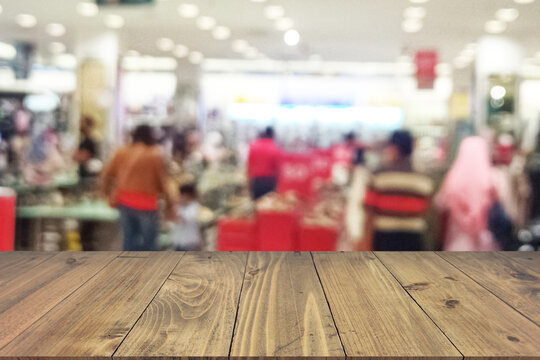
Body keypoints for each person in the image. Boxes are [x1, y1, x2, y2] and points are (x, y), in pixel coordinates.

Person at [100, 124, 173, 251]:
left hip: (125, 202)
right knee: (149, 245)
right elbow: (162, 182)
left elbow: (105, 175)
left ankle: (129, 270)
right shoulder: (154, 155)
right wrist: (170, 202)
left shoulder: (121, 152)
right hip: (147, 204)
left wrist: (106, 194)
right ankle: (149, 271)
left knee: (129, 241)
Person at [364, 130, 434, 251]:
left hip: (384, 236)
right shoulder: (424, 179)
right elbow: (427, 208)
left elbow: (369, 207)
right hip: (414, 237)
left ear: (394, 148)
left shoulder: (379, 176)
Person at [435, 137, 501, 251]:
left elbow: (440, 203)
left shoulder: (452, 177)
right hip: (483, 240)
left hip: (456, 239)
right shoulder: (492, 178)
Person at [247, 126, 282, 200]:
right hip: (269, 182)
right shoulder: (275, 148)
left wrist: (249, 182)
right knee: (267, 207)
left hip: (256, 181)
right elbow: (278, 169)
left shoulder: (254, 147)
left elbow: (249, 166)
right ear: (273, 135)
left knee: (256, 206)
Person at [171, 183, 201, 251]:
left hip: (190, 243)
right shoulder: (178, 207)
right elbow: (173, 219)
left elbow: (188, 217)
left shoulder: (195, 207)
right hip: (178, 242)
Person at [74, 116, 99, 181]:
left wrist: (79, 156)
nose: (80, 125)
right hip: (83, 174)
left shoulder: (90, 142)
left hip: (88, 176)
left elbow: (82, 157)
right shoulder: (84, 141)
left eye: (82, 123)